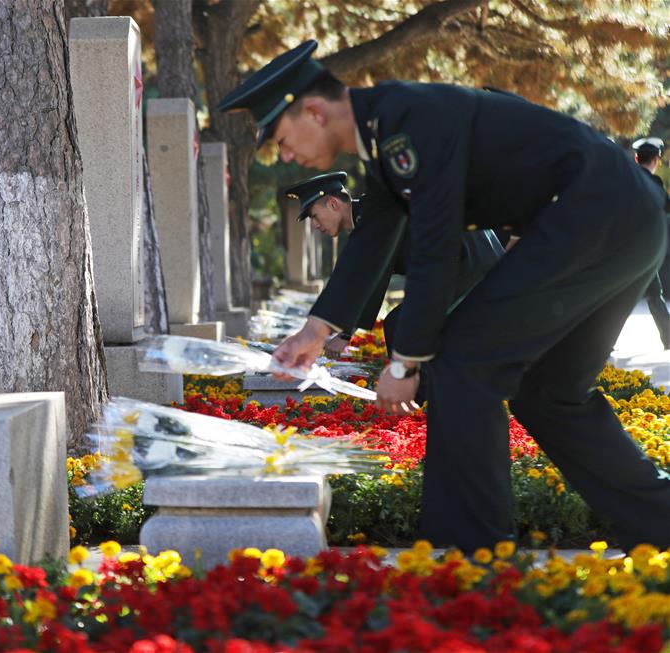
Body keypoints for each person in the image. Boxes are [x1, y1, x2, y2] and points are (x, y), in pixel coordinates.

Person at [219, 40, 670, 552]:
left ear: (315, 112)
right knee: (548, 394)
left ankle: (468, 554)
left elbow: (435, 245)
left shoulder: (406, 122)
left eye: (280, 139)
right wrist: (316, 330)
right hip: (623, 217)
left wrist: (404, 363)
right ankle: (660, 525)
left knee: (459, 362)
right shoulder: (387, 131)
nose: (284, 156)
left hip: (593, 217)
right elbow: (375, 235)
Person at [283, 171, 503, 370]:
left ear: (333, 204)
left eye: (313, 216)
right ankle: (425, 388)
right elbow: (360, 276)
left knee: (400, 325)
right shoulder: (367, 217)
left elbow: (373, 276)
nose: (315, 225)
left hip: (472, 263)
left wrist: (345, 334)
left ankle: (416, 395)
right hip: (469, 261)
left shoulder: (374, 215)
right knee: (406, 324)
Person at [632, 137, 670, 349]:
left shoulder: (625, 180)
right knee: (655, 294)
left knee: (613, 297)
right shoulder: (653, 183)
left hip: (620, 249)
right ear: (656, 159)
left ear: (636, 158)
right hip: (644, 251)